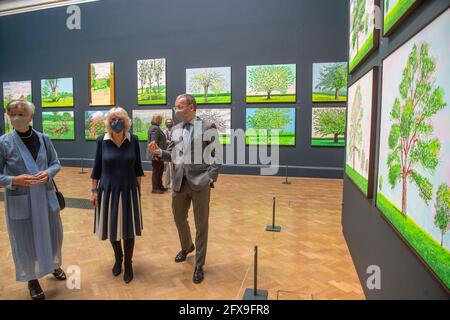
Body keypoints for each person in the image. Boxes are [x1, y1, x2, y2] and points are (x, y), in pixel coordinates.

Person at [148, 94, 221, 284]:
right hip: (179, 181)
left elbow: (216, 156)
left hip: (200, 183)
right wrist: (159, 153)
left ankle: (199, 264)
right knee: (179, 218)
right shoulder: (176, 128)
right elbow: (173, 154)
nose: (176, 109)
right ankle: (187, 246)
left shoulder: (207, 127)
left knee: (201, 224)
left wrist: (209, 177)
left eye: (180, 105)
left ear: (191, 107)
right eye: (175, 105)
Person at [0, 100, 65, 300]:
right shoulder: (4, 143)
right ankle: (32, 280)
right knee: (26, 241)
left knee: (54, 236)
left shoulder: (44, 139)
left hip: (45, 198)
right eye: (12, 114)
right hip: (21, 200)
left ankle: (54, 265)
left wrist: (48, 173)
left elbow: (55, 163)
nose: (16, 118)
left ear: (31, 116)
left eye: (20, 113)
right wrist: (14, 179)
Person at [90, 107, 144, 284]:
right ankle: (118, 258)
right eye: (112, 119)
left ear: (126, 121)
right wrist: (94, 191)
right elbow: (97, 168)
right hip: (108, 190)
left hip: (129, 189)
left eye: (120, 119)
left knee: (128, 229)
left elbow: (138, 169)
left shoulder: (133, 140)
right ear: (108, 122)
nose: (116, 122)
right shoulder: (101, 141)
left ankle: (128, 263)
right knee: (112, 227)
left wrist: (139, 191)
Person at [147, 114, 167, 194]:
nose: (162, 121)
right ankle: (155, 188)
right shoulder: (154, 128)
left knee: (160, 170)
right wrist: (155, 155)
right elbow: (153, 143)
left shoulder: (156, 128)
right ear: (158, 120)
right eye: (161, 119)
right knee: (156, 171)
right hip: (156, 154)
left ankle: (160, 186)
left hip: (160, 154)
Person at [163, 118, 174, 190]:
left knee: (172, 169)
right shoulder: (164, 131)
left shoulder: (175, 130)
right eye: (168, 122)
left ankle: (172, 184)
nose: (169, 124)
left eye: (170, 122)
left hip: (174, 152)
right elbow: (164, 140)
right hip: (166, 151)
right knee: (167, 169)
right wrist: (171, 142)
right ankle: (166, 184)